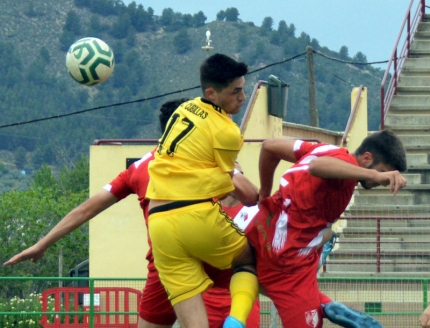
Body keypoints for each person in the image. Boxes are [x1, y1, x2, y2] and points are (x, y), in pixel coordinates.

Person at [3, 98, 259, 328]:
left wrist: (42, 244)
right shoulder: (207, 160)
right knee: (262, 271)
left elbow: (86, 209)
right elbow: (248, 197)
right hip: (206, 251)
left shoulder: (140, 167)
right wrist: (232, 168)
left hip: (167, 261)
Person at [244, 130, 407, 327]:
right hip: (287, 262)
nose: (381, 180)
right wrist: (373, 174)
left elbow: (270, 146)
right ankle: (321, 304)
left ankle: (321, 302)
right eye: (383, 172)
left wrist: (264, 190)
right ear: (366, 158)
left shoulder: (323, 149)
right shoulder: (342, 168)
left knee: (250, 279)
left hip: (262, 229)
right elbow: (317, 166)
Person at [146, 53, 259, 328]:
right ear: (212, 92)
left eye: (243, 88)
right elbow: (237, 187)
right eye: (236, 91)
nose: (242, 97)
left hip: (158, 224)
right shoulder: (228, 132)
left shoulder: (183, 110)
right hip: (194, 216)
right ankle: (236, 320)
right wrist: (255, 194)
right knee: (247, 260)